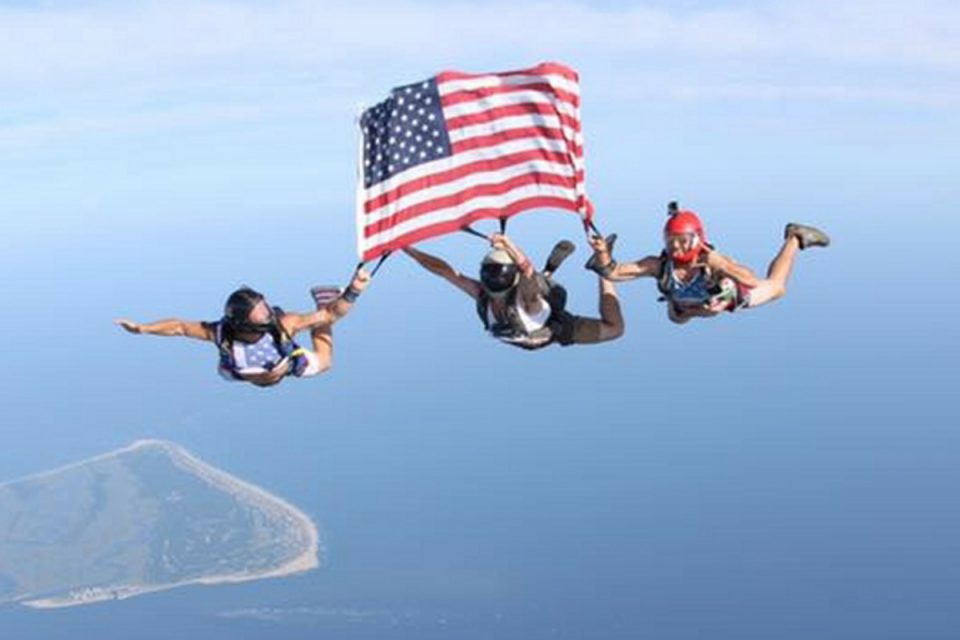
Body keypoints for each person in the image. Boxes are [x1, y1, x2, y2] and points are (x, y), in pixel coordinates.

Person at [115, 269, 371, 386]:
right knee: (262, 375)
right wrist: (142, 329)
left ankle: (325, 295)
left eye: (265, 305)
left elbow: (330, 314)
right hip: (239, 371)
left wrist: (353, 291)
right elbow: (179, 327)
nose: (268, 312)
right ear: (243, 322)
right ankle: (267, 374)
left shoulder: (283, 324)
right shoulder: (221, 333)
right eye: (260, 312)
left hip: (282, 363)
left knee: (325, 356)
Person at [585, 203, 830, 324]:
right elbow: (615, 273)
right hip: (687, 302)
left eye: (683, 241)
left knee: (777, 288)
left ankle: (796, 237)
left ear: (697, 238)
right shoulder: (660, 265)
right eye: (671, 242)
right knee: (678, 318)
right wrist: (603, 255)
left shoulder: (711, 262)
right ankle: (685, 308)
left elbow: (752, 280)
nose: (677, 248)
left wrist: (721, 263)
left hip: (729, 296)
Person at [404, 233, 624, 349]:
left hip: (543, 320)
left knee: (541, 288)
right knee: (615, 329)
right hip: (549, 330)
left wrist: (409, 249)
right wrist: (410, 250)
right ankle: (553, 272)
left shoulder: (488, 296)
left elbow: (446, 272)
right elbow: (446, 272)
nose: (493, 279)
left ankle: (595, 269)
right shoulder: (501, 297)